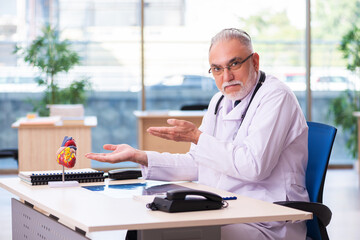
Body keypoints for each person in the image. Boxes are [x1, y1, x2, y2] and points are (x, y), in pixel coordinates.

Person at [85, 28, 309, 240]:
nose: (227, 76)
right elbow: (196, 163)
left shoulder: (276, 96)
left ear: (255, 61)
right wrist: (139, 156)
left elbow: (253, 167)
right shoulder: (220, 100)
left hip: (267, 220)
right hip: (228, 210)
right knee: (143, 227)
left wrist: (197, 137)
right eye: (217, 69)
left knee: (171, 235)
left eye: (234, 64)